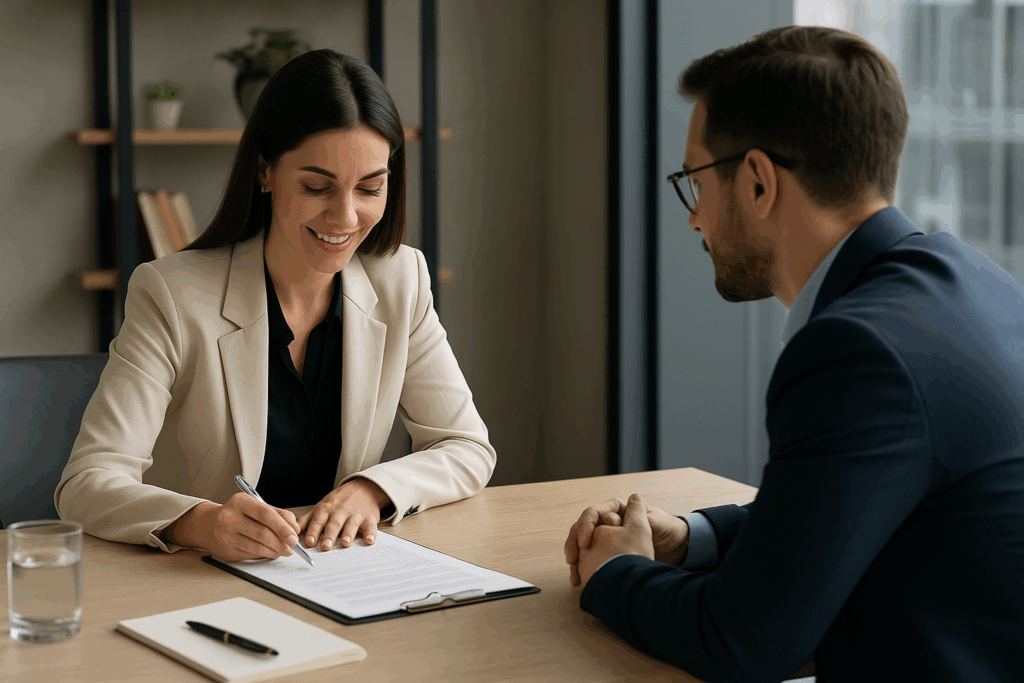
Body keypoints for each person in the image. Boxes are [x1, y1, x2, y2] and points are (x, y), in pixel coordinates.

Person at [564, 26, 1024, 682]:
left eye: (695, 180)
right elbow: (842, 508)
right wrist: (692, 537)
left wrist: (615, 572)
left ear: (757, 181)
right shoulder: (971, 280)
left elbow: (743, 642)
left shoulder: (857, 350)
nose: (694, 218)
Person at [56, 50, 495, 563]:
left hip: (332, 574)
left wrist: (370, 490)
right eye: (316, 186)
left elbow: (467, 447)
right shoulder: (171, 293)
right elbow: (87, 483)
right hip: (196, 583)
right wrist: (201, 522)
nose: (346, 216)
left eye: (370, 187)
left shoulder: (402, 279)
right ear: (265, 171)